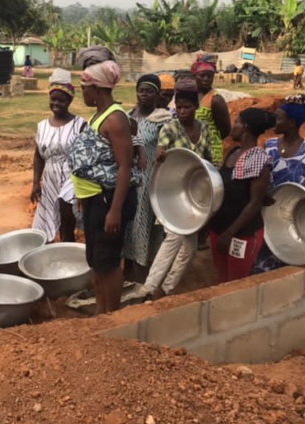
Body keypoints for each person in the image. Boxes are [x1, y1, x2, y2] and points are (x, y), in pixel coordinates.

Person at [69, 57, 140, 313]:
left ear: (97, 89)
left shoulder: (115, 119)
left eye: (84, 87)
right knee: (97, 262)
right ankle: (101, 312)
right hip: (95, 200)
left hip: (109, 201)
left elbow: (124, 166)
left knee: (108, 264)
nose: (81, 91)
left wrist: (115, 211)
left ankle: (111, 314)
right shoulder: (99, 116)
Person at [141, 78, 215, 299]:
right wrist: (160, 153)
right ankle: (149, 288)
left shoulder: (204, 129)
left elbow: (208, 159)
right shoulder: (170, 128)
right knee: (173, 237)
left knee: (190, 249)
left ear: (196, 107)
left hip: (195, 195)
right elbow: (161, 148)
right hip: (172, 195)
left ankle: (168, 288)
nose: (181, 111)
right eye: (178, 107)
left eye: (186, 107)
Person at [253, 95, 305, 272]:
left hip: (292, 213)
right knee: (261, 259)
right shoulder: (269, 145)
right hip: (267, 210)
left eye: (278, 119)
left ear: (291, 123)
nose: (274, 122)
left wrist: (303, 192)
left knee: (288, 259)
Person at [207, 107, 275, 283]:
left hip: (241, 234)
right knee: (221, 279)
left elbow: (254, 203)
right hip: (219, 229)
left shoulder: (260, 161)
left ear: (245, 126)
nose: (233, 125)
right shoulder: (233, 152)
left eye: (236, 121)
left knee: (236, 283)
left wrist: (230, 233)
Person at [124, 75, 173, 282]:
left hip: (148, 181)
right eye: (141, 90)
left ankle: (141, 274)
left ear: (157, 94)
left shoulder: (163, 119)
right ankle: (126, 270)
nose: (144, 94)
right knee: (126, 224)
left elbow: (168, 150)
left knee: (142, 225)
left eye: (150, 91)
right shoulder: (126, 116)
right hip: (126, 179)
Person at [31, 69, 85, 243]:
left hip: (72, 178)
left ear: (69, 100)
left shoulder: (80, 125)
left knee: (67, 220)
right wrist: (35, 182)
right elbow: (39, 156)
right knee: (47, 222)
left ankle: (68, 254)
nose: (56, 103)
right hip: (50, 179)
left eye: (61, 100)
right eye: (53, 99)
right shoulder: (42, 127)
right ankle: (49, 258)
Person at [192, 55, 229, 166]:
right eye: (202, 76)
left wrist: (209, 138)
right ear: (195, 76)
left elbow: (225, 130)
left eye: (209, 76)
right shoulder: (189, 95)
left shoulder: (216, 100)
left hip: (210, 153)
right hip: (191, 151)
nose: (206, 79)